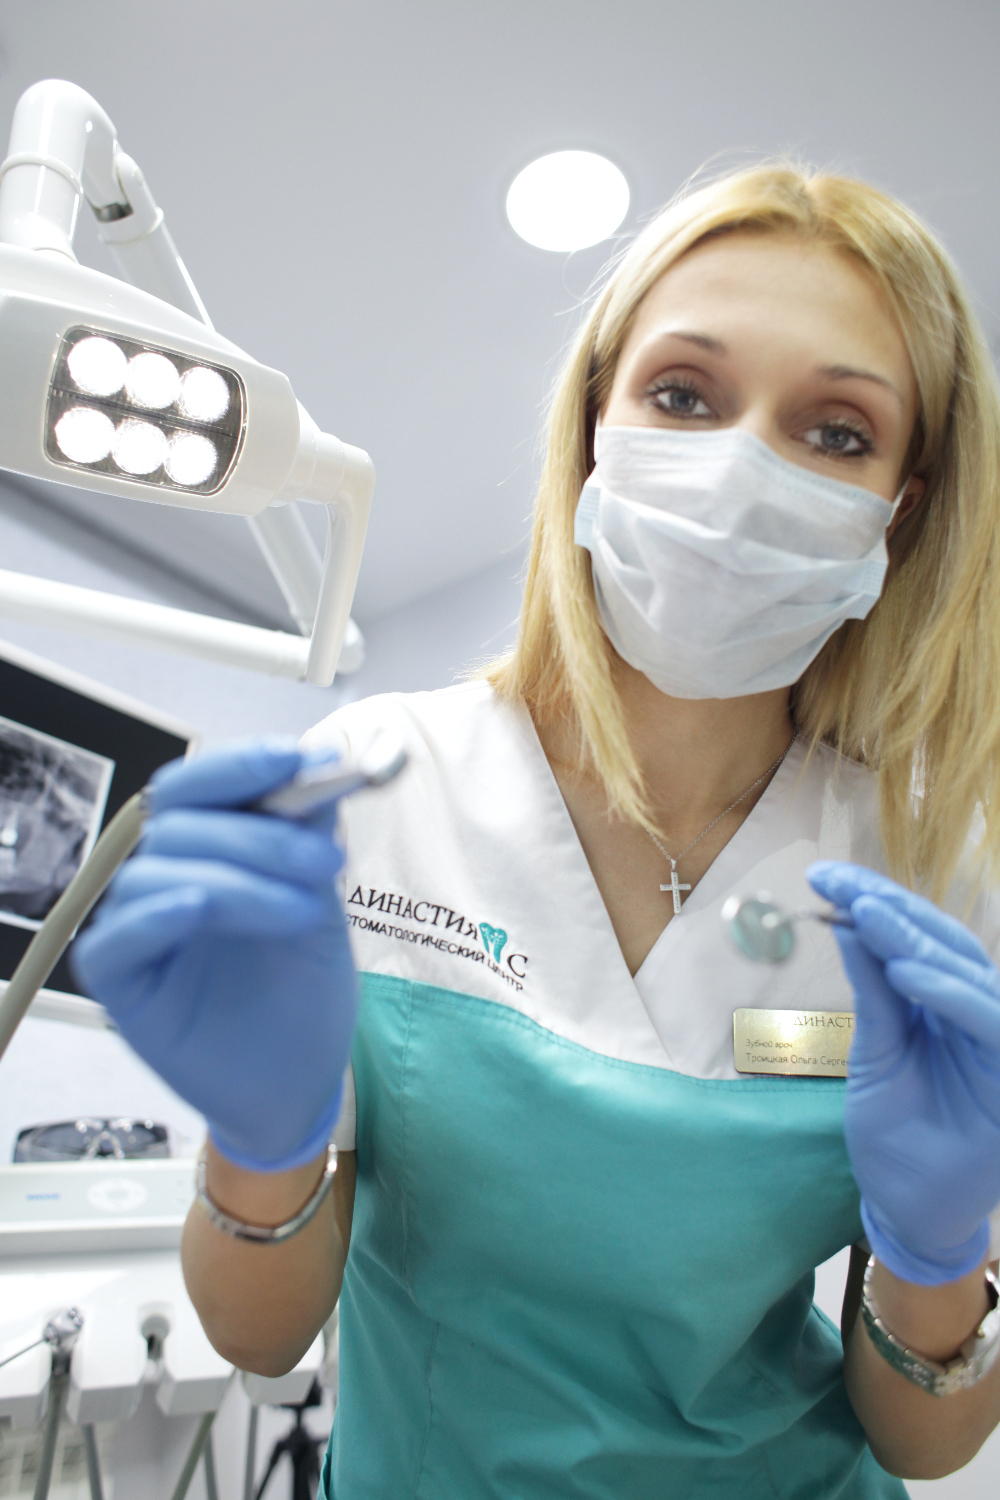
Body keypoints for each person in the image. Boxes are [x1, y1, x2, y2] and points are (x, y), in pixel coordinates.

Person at [74, 163, 1000, 1498]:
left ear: (898, 510)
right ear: (595, 425)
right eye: (685, 396)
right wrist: (262, 1141)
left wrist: (934, 1253)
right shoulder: (376, 790)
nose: (742, 472)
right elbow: (261, 1339)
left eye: (837, 431)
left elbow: (925, 1443)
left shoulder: (927, 874)